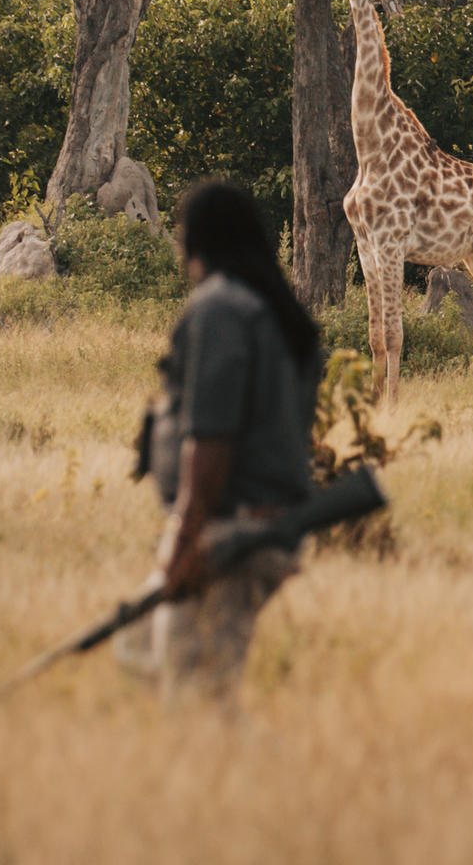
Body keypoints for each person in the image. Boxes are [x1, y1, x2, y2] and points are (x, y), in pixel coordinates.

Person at [118, 180, 323, 708]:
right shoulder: (277, 313)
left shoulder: (220, 310)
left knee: (198, 695)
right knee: (137, 646)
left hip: (231, 527)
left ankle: (256, 786)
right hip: (266, 525)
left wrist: (187, 543)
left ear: (194, 239)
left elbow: (211, 440)